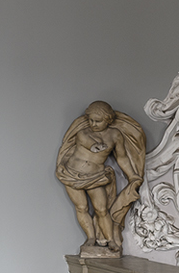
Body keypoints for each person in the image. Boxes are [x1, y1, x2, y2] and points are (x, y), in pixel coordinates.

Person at [56, 101, 147, 254]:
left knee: (102, 210)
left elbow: (122, 158)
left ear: (108, 120)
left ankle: (110, 240)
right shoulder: (83, 132)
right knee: (81, 208)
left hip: (95, 176)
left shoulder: (115, 135)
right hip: (71, 174)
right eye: (91, 120)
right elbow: (88, 143)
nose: (93, 124)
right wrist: (96, 146)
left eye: (98, 121)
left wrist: (132, 176)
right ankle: (90, 238)